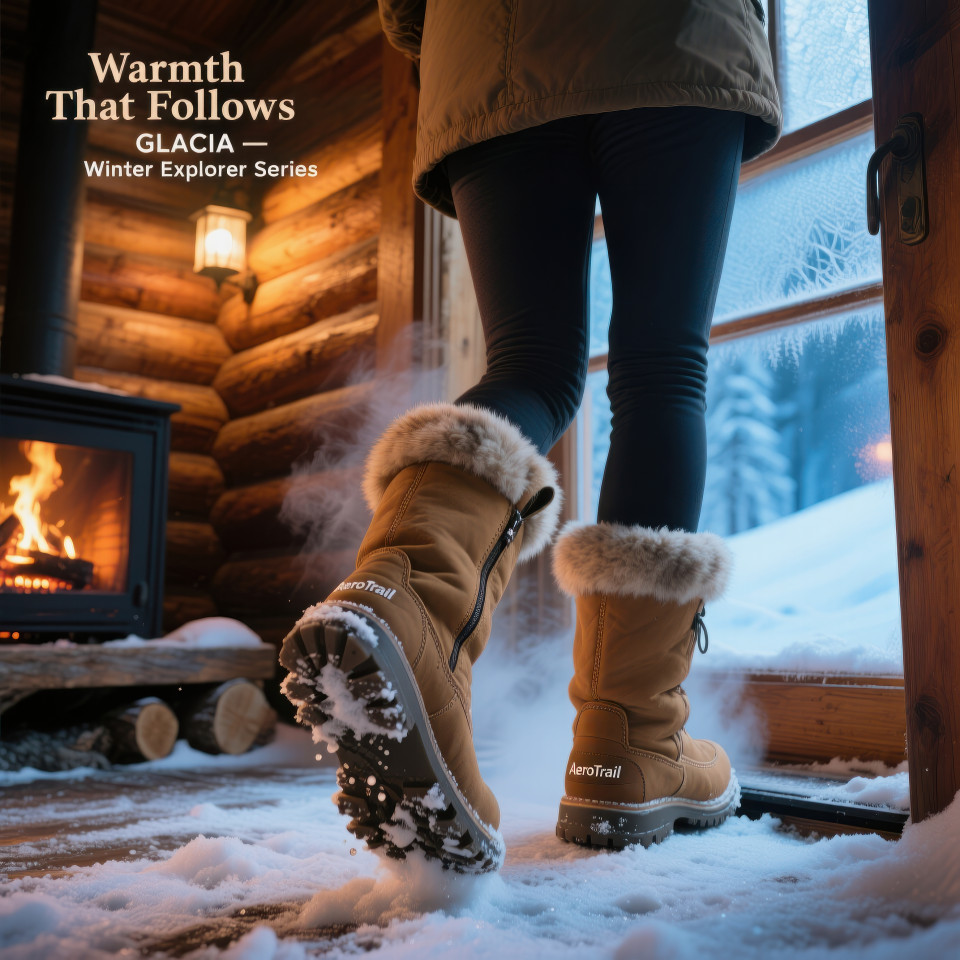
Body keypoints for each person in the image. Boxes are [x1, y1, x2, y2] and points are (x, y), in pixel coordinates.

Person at [280, 0, 781, 872]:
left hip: (490, 49)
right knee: (663, 370)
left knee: (534, 363)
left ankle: (404, 597)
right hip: (675, 33)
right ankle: (630, 748)